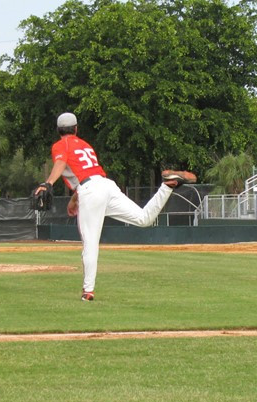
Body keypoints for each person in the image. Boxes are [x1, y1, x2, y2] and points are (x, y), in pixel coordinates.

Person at [36, 112, 196, 301]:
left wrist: (48, 183)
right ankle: (167, 186)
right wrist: (74, 200)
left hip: (91, 190)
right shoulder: (86, 146)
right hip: (105, 185)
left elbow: (62, 163)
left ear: (58, 130)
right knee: (144, 219)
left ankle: (88, 290)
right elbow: (86, 176)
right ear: (76, 129)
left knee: (90, 242)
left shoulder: (61, 144)